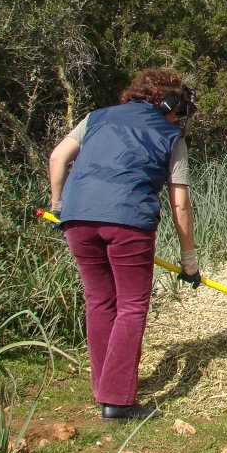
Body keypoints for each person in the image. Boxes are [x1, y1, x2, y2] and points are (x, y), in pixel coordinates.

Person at [48, 68, 200, 422]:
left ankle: (103, 388)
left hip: (77, 218)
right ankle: (118, 402)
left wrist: (58, 206)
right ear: (169, 102)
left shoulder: (95, 118)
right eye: (178, 108)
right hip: (129, 221)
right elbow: (180, 204)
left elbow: (58, 158)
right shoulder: (170, 135)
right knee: (131, 306)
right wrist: (189, 260)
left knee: (99, 302)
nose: (177, 116)